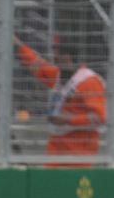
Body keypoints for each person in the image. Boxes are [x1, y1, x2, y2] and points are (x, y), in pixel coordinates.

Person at [13, 34, 107, 165]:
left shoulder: (89, 82)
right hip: (57, 143)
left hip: (80, 148)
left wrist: (68, 120)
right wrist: (17, 45)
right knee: (50, 182)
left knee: (74, 183)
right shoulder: (60, 74)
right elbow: (37, 65)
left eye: (57, 59)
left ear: (67, 58)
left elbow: (99, 118)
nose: (54, 63)